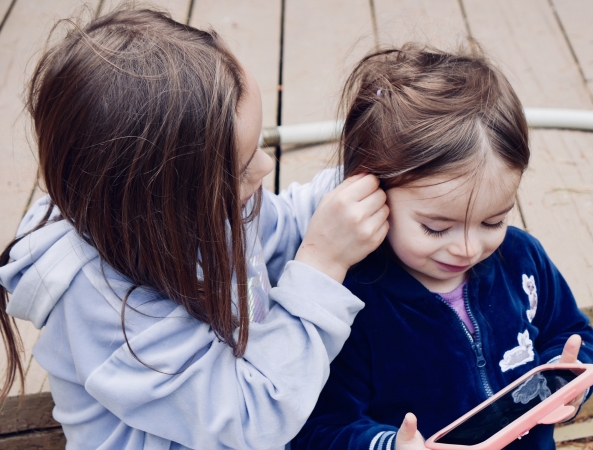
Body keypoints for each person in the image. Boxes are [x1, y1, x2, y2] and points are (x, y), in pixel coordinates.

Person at [0, 7, 390, 449]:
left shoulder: (194, 208)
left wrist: (366, 177)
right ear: (160, 201)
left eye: (258, 146)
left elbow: (286, 229)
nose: (266, 167)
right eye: (241, 169)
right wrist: (323, 264)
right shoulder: (100, 304)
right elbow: (251, 418)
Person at [291, 43, 593, 450]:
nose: (469, 248)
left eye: (493, 221)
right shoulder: (353, 305)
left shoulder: (522, 258)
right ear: (371, 194)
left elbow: (568, 330)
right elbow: (321, 427)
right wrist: (387, 444)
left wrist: (570, 377)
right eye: (438, 228)